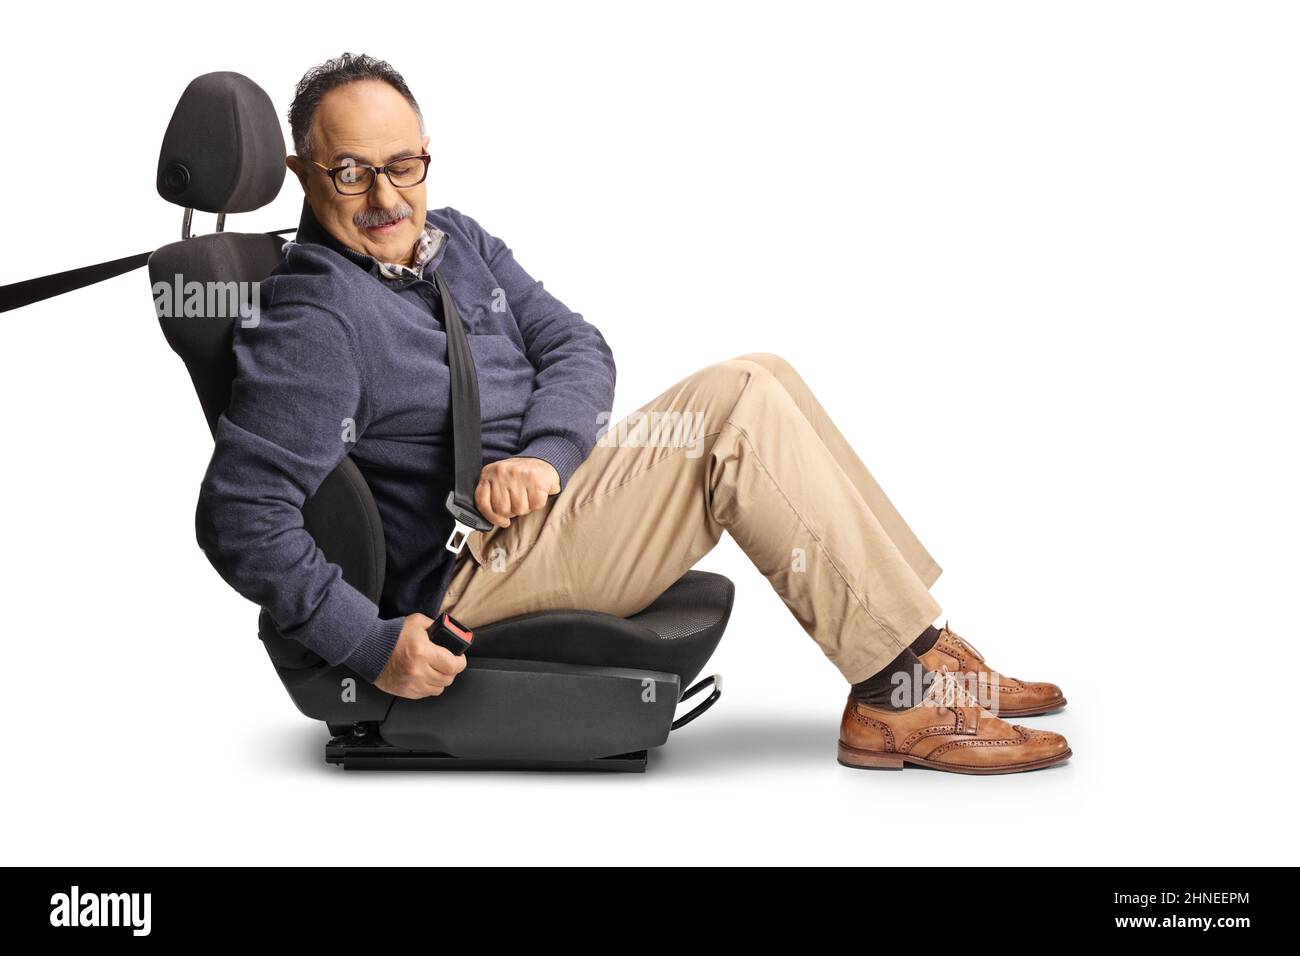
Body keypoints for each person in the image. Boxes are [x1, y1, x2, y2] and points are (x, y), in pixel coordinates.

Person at [197, 53, 1071, 774]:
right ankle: (897, 697)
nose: (386, 197)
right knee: (736, 407)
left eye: (402, 166)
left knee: (762, 370)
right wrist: (367, 641)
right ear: (305, 174)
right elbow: (240, 514)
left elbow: (578, 346)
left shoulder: (456, 241)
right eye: (351, 172)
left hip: (541, 511)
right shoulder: (316, 318)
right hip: (472, 575)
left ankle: (927, 650)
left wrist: (544, 455)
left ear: (428, 155)